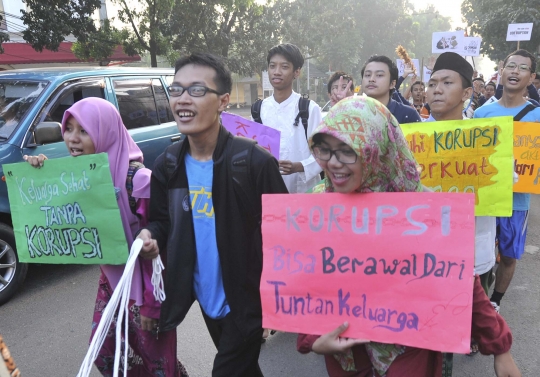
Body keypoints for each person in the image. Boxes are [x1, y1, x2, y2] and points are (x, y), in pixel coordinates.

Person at [296, 96, 521, 377]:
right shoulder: (316, 208)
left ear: (377, 149)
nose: (334, 164)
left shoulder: (421, 209)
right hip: (345, 357)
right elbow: (302, 281)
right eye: (324, 150)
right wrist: (312, 340)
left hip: (408, 352)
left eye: (348, 150)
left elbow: (458, 280)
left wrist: (500, 348)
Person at [137, 53, 288, 377]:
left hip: (246, 301)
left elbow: (284, 238)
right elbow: (162, 221)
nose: (182, 99)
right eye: (176, 90)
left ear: (222, 101)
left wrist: (274, 307)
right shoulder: (168, 164)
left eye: (195, 90)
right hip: (205, 297)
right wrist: (151, 236)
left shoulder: (253, 163)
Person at [24, 98, 188, 376]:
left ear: (106, 132)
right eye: (69, 129)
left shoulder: (139, 181)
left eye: (84, 131)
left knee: (158, 363)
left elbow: (162, 250)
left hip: (144, 290)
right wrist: (41, 172)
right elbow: (58, 202)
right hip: (111, 283)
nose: (72, 139)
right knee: (105, 354)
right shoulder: (82, 174)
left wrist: (151, 304)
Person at [426, 51, 499, 355]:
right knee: (430, 329)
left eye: (446, 82)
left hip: (470, 250)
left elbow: (500, 184)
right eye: (432, 83)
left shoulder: (488, 139)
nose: (436, 89)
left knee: (465, 326)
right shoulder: (411, 138)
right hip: (425, 252)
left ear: (467, 93)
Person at [474, 49, 540, 313]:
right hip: (487, 197)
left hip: (518, 198)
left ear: (531, 77)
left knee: (510, 256)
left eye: (522, 68)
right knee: (481, 255)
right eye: (511, 66)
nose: (515, 72)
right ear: (501, 70)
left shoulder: (537, 115)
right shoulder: (481, 114)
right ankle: (477, 310)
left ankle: (495, 302)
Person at [253, 43, 322, 193]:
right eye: (272, 66)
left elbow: (324, 152)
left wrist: (299, 166)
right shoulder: (258, 110)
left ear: (296, 72)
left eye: (284, 67)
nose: (276, 72)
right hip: (267, 191)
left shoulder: (309, 109)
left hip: (305, 193)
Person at [360, 55, 421, 124]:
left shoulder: (408, 115)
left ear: (392, 84)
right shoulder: (353, 113)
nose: (371, 79)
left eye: (379, 75)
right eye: (368, 75)